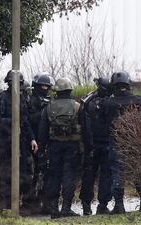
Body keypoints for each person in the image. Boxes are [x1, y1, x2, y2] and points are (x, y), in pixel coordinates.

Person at [38, 77, 92, 219]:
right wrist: (89, 147)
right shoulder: (77, 106)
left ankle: (54, 209)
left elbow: (42, 131)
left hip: (54, 147)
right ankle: (66, 208)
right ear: (69, 90)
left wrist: (41, 150)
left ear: (56, 91)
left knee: (54, 176)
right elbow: (86, 130)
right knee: (69, 176)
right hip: (72, 147)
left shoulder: (48, 107)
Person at [101, 71, 141, 214]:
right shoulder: (139, 101)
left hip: (116, 143)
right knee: (138, 172)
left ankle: (119, 206)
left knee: (117, 173)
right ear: (128, 84)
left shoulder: (107, 103)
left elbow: (103, 123)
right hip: (134, 142)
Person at [0, 70, 38, 210]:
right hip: (5, 140)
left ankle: (20, 204)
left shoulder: (23, 98)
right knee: (4, 173)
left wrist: (32, 138)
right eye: (14, 83)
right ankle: (4, 206)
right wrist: (12, 121)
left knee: (23, 172)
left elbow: (25, 120)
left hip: (22, 141)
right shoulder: (2, 98)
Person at [79, 77, 113, 215]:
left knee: (89, 175)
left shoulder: (89, 103)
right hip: (103, 144)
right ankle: (102, 205)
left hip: (91, 144)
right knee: (104, 175)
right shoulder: (108, 103)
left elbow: (82, 123)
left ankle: (87, 205)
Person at [28, 72, 54, 213]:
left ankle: (45, 203)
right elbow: (30, 120)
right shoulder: (31, 100)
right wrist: (44, 112)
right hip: (34, 141)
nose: (45, 88)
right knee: (35, 173)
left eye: (47, 86)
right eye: (42, 86)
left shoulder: (49, 100)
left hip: (47, 140)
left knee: (46, 173)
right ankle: (31, 204)